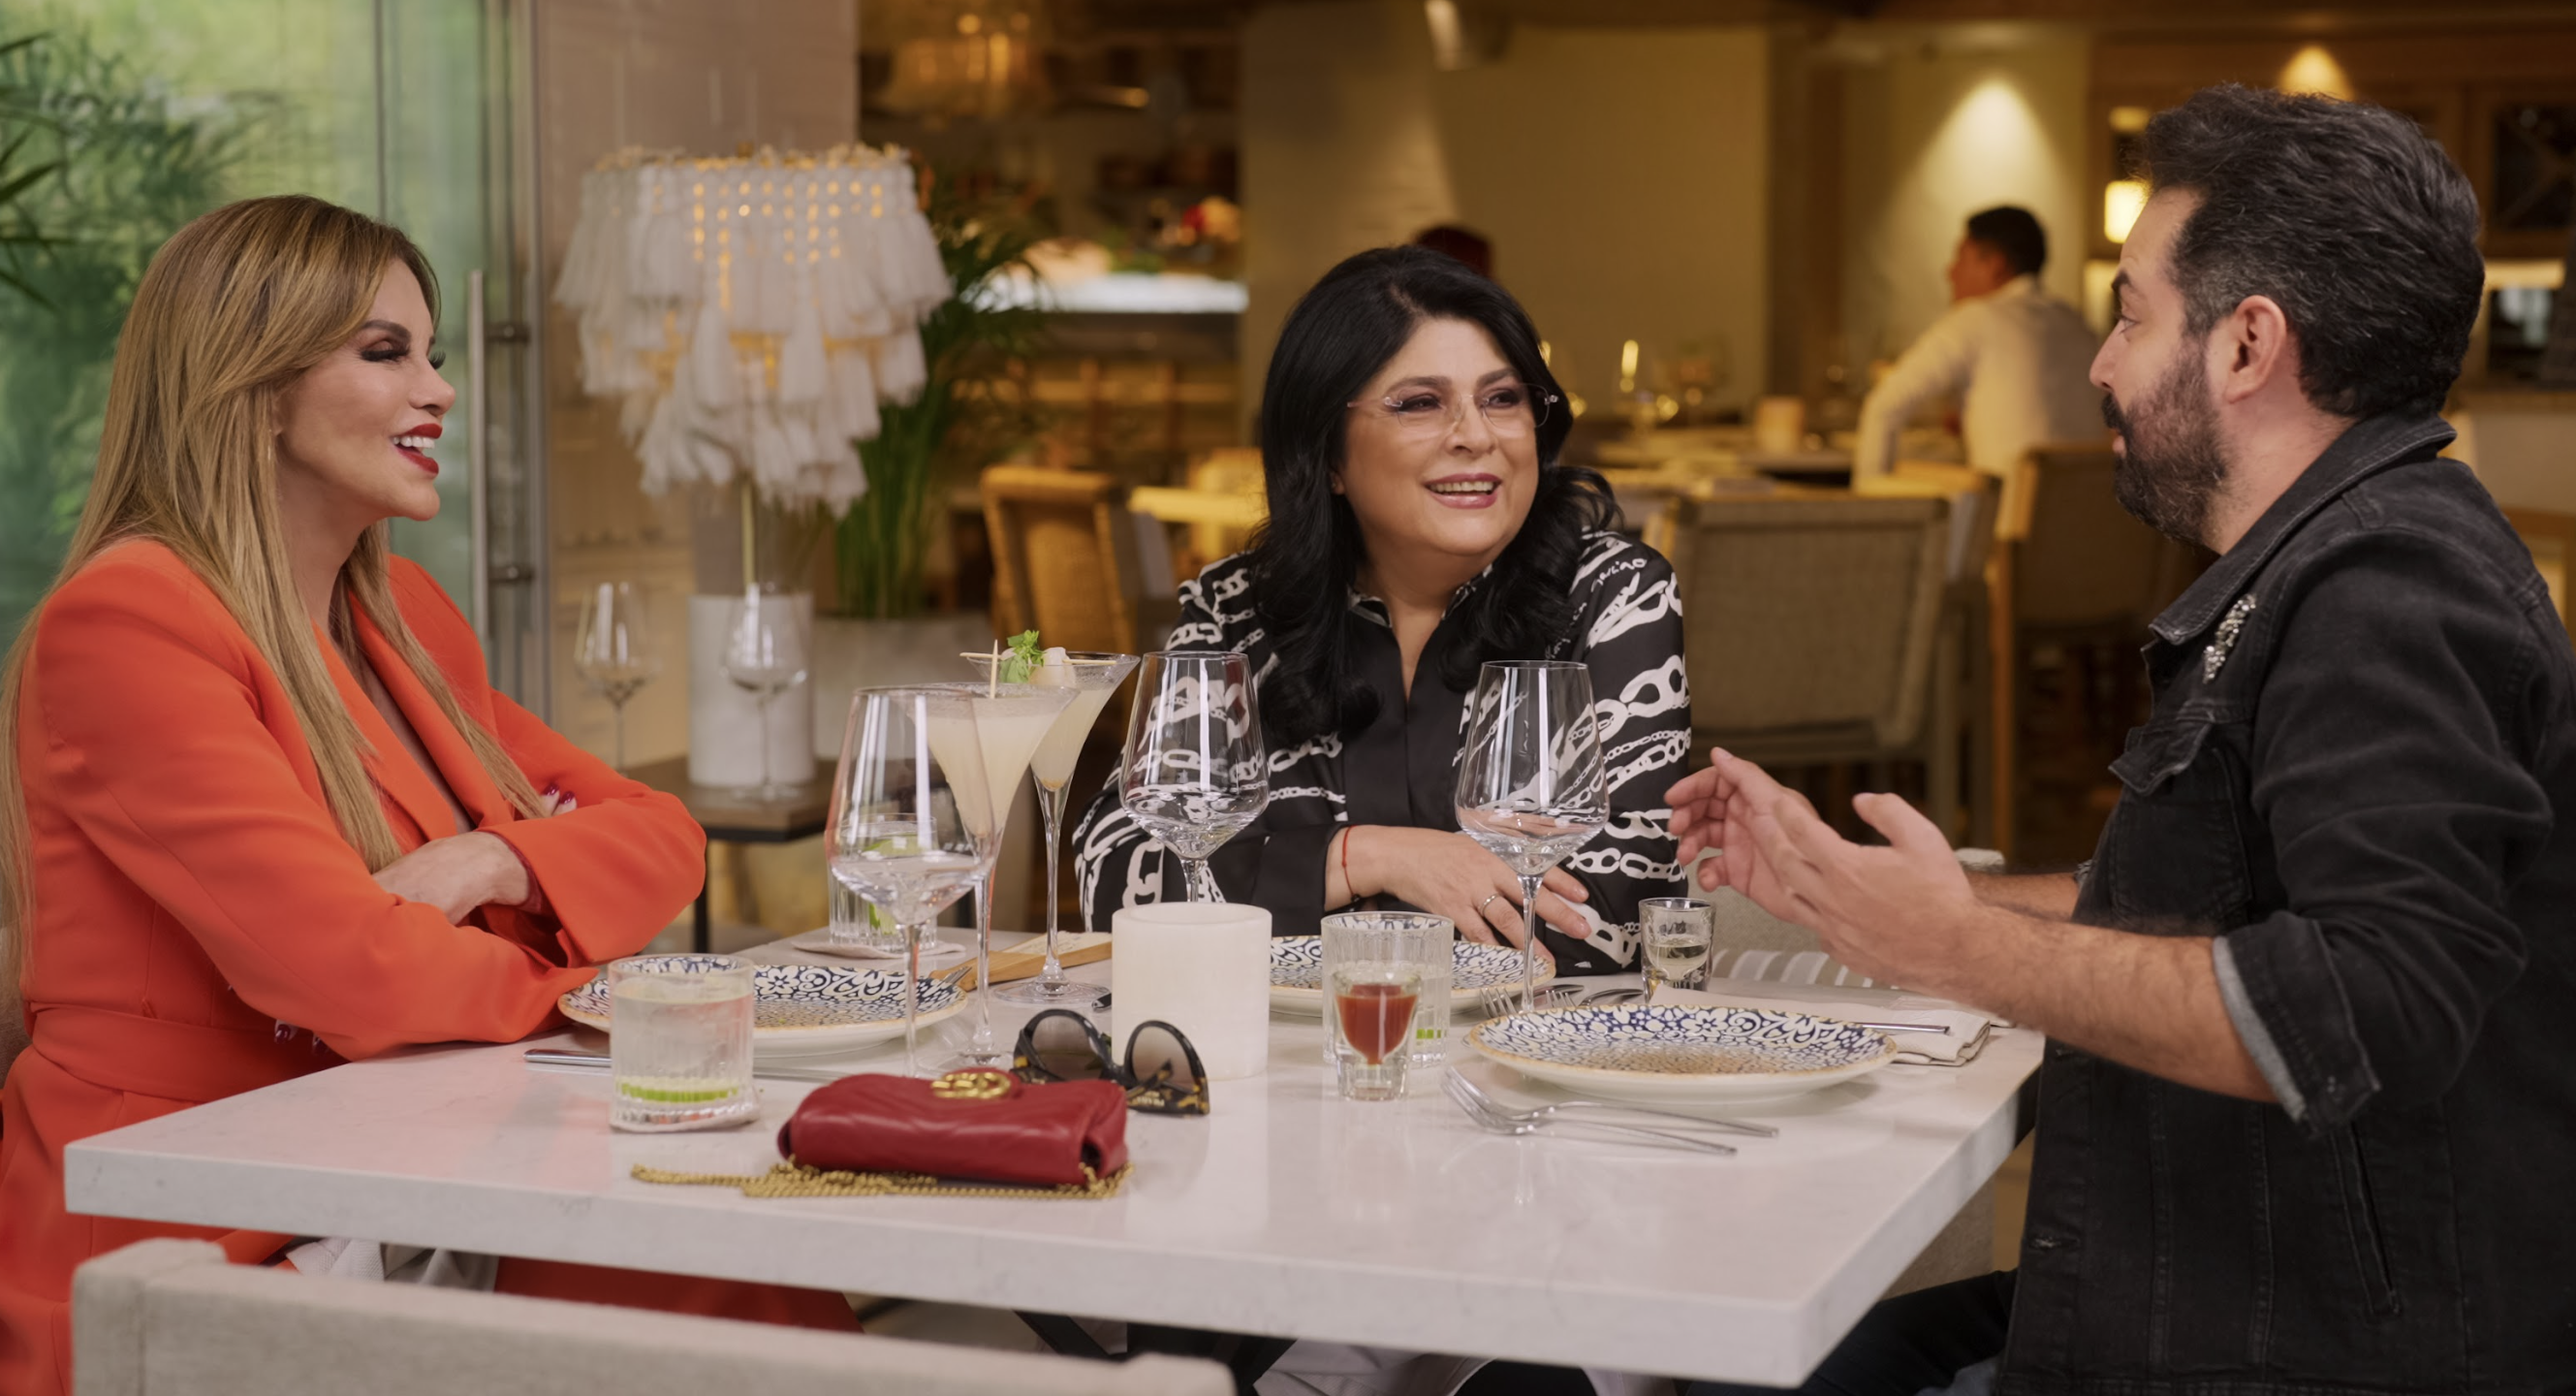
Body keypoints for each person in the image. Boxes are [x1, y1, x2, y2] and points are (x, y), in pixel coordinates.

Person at [1671, 86, 2574, 1393]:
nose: (2100, 365)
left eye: (2131, 317)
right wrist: (1861, 906)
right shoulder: (2340, 556)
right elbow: (2202, 906)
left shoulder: (2384, 588)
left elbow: (2374, 1002)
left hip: (2322, 1343)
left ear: (2246, 344)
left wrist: (1959, 947)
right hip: (2239, 1286)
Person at [0, 195, 856, 1395]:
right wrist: (608, 992)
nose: (441, 390)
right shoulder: (129, 624)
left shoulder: (402, 629)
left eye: (432, 353)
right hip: (210, 1228)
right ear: (252, 391)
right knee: (707, 1294)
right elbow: (355, 975)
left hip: (417, 1168)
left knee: (735, 1270)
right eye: (384, 352)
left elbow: (664, 835)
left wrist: (496, 866)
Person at [1074, 244, 1691, 977]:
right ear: (1328, 455)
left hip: (1542, 1065)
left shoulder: (1613, 596)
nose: (1477, 435)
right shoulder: (1238, 609)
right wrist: (1375, 855)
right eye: (1421, 404)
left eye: (1503, 398)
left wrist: (1288, 891)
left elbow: (1609, 923)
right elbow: (1119, 882)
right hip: (1289, 1064)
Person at [1851, 206, 2100, 481]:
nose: (1951, 272)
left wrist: (1867, 501)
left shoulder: (1978, 319)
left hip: (2008, 517)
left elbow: (1884, 405)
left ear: (1994, 265)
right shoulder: (2079, 326)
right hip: (2086, 515)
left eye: (1961, 258)